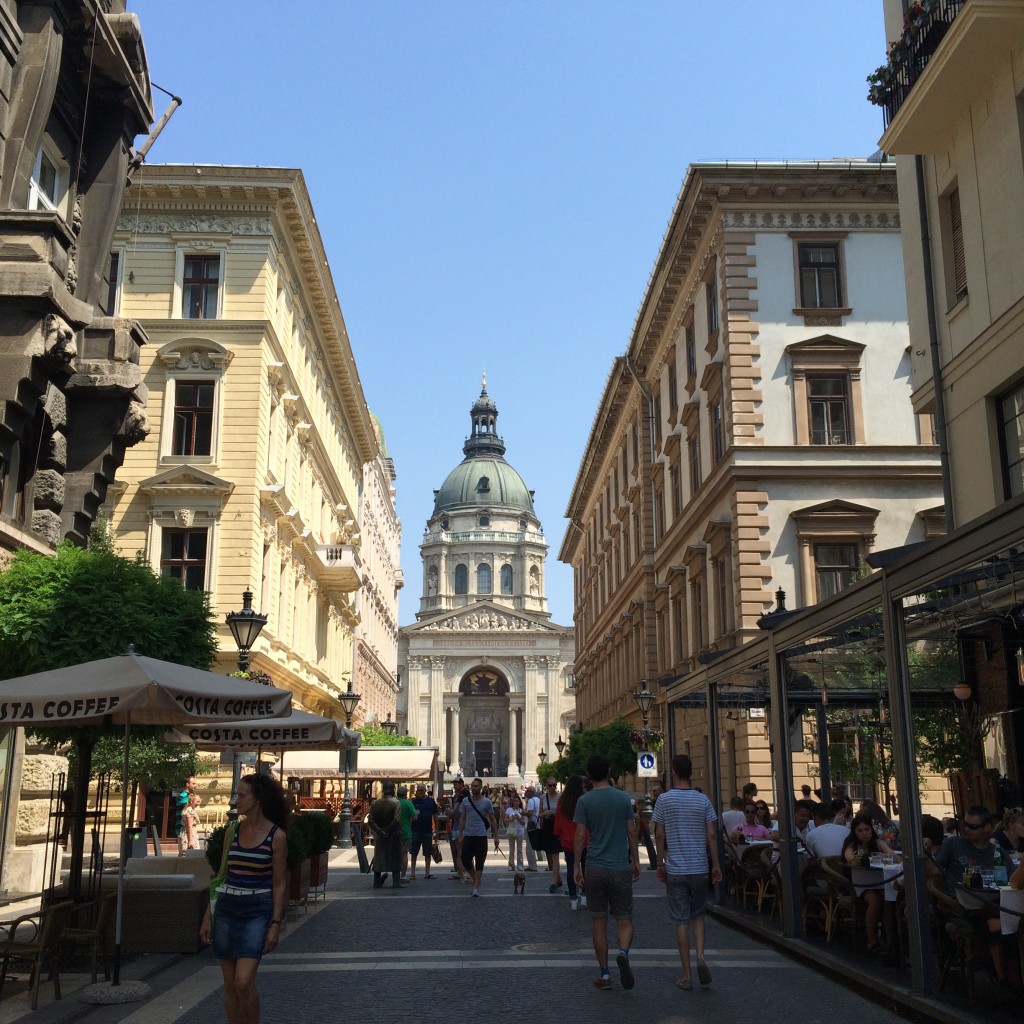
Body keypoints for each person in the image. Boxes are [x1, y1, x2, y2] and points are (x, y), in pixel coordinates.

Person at [200, 773, 287, 1024]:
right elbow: (221, 876)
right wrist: (208, 916)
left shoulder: (276, 836)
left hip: (256, 911)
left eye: (241, 795)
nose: (236, 800)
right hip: (226, 909)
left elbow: (279, 883)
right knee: (230, 984)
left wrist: (275, 923)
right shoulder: (233, 831)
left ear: (258, 799)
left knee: (244, 981)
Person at [653, 754, 721, 991]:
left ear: (673, 771)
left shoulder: (664, 799)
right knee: (698, 915)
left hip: (676, 868)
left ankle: (686, 974)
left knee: (680, 920)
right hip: (700, 867)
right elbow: (711, 834)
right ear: (691, 772)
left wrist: (660, 862)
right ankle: (701, 957)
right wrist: (716, 865)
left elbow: (659, 834)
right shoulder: (703, 800)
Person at [573, 753, 641, 992]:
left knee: (598, 921)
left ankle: (604, 974)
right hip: (619, 865)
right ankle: (623, 952)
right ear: (609, 770)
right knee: (624, 918)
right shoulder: (622, 798)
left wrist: (575, 867)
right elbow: (632, 831)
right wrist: (635, 860)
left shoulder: (584, 801)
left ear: (589, 775)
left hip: (594, 866)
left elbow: (580, 835)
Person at [842, 812, 895, 953]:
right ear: (854, 832)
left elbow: (894, 857)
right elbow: (850, 860)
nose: (864, 833)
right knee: (875, 900)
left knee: (889, 900)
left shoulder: (877, 843)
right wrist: (861, 857)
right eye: (860, 830)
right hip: (861, 884)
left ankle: (891, 940)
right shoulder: (852, 845)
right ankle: (872, 940)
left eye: (867, 829)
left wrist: (884, 856)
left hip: (881, 882)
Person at [457, 777, 500, 896]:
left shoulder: (486, 802)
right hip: (468, 835)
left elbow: (492, 819)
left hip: (481, 835)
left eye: (476, 786)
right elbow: (462, 818)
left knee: (480, 862)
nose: (473, 788)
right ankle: (476, 879)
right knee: (465, 860)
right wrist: (460, 834)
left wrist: (496, 836)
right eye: (472, 786)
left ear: (481, 788)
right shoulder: (466, 801)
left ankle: (475, 888)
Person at [554, 775, 587, 909]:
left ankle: (573, 899)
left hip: (568, 839)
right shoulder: (584, 800)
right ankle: (584, 896)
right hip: (584, 838)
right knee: (585, 868)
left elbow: (558, 821)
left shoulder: (563, 801)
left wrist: (559, 835)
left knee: (571, 868)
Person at [368, 781, 403, 889]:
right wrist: (387, 830)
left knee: (379, 858)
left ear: (383, 790)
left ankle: (376, 881)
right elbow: (397, 820)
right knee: (396, 858)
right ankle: (396, 882)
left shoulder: (375, 804)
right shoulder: (396, 803)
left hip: (380, 836)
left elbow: (370, 820)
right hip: (394, 835)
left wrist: (379, 831)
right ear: (393, 790)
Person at [540, 776, 563, 892]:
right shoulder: (542, 798)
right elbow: (539, 815)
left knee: (555, 855)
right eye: (550, 785)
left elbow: (564, 815)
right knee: (549, 854)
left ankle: (553, 882)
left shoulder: (561, 797)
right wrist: (544, 814)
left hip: (557, 828)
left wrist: (554, 814)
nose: (552, 787)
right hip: (547, 828)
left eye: (554, 785)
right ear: (546, 786)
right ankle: (558, 879)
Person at [410, 783, 438, 880]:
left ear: (425, 791)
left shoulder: (431, 801)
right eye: (419, 790)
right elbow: (410, 817)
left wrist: (436, 829)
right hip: (416, 830)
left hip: (427, 831)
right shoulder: (413, 802)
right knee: (414, 852)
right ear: (416, 791)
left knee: (428, 852)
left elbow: (435, 815)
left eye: (422, 790)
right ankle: (412, 873)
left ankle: (427, 872)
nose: (420, 792)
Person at [446, 778, 469, 882]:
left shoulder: (463, 799)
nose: (454, 786)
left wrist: (451, 812)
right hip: (458, 828)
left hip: (459, 829)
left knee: (461, 854)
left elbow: (457, 813)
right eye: (454, 784)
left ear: (461, 784)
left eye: (456, 784)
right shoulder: (457, 798)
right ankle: (462, 873)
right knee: (460, 853)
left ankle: (462, 873)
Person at [502, 791, 526, 872]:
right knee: (511, 849)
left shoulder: (522, 811)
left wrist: (519, 818)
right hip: (512, 830)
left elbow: (523, 823)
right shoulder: (509, 810)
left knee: (519, 850)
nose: (515, 802)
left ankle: (520, 865)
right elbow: (505, 820)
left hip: (519, 831)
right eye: (514, 801)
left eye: (517, 801)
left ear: (519, 802)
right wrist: (511, 819)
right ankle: (511, 865)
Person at [397, 785, 416, 884]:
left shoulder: (394, 802)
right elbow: (415, 817)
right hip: (406, 831)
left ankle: (395, 875)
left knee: (396, 854)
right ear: (405, 794)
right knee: (404, 854)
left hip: (394, 832)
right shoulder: (408, 803)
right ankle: (403, 876)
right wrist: (416, 813)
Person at [177, 775, 196, 855]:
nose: (195, 785)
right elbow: (187, 815)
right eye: (193, 783)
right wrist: (191, 838)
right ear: (187, 784)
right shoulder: (184, 797)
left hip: (183, 829)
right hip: (186, 830)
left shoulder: (186, 796)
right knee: (187, 855)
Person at [524, 784, 541, 871]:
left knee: (529, 846)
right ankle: (534, 864)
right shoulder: (538, 800)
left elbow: (530, 813)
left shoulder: (531, 801)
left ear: (531, 793)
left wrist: (523, 812)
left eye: (527, 791)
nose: (526, 793)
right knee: (533, 845)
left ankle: (532, 865)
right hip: (537, 824)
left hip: (530, 824)